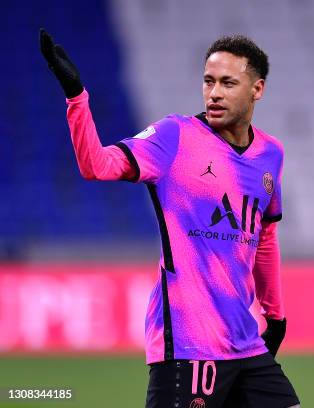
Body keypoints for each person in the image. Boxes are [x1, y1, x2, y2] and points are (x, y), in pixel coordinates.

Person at [39, 28, 300, 408]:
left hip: (246, 345)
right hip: (188, 344)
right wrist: (76, 96)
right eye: (208, 81)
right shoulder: (175, 137)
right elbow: (96, 165)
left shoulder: (270, 154)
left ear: (257, 89)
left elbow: (264, 238)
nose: (214, 93)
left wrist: (275, 316)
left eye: (228, 83)